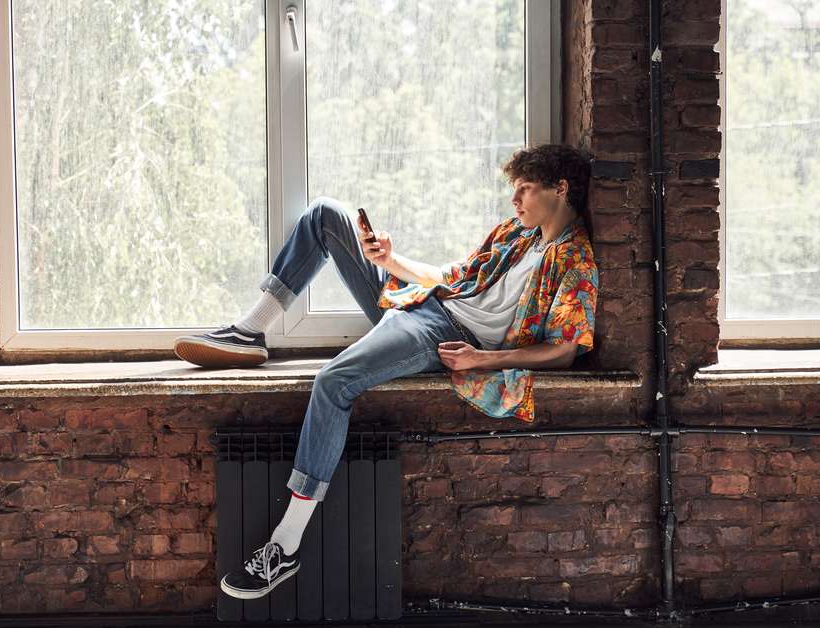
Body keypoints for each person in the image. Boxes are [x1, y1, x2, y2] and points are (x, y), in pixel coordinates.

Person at [172, 143, 599, 600]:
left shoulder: (575, 261)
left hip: (439, 332)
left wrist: (481, 359)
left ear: (561, 188)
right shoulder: (517, 232)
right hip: (423, 304)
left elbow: (564, 350)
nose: (515, 202)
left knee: (334, 381)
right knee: (325, 215)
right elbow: (450, 277)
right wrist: (389, 261)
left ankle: (285, 544)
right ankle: (249, 330)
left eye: (525, 190)